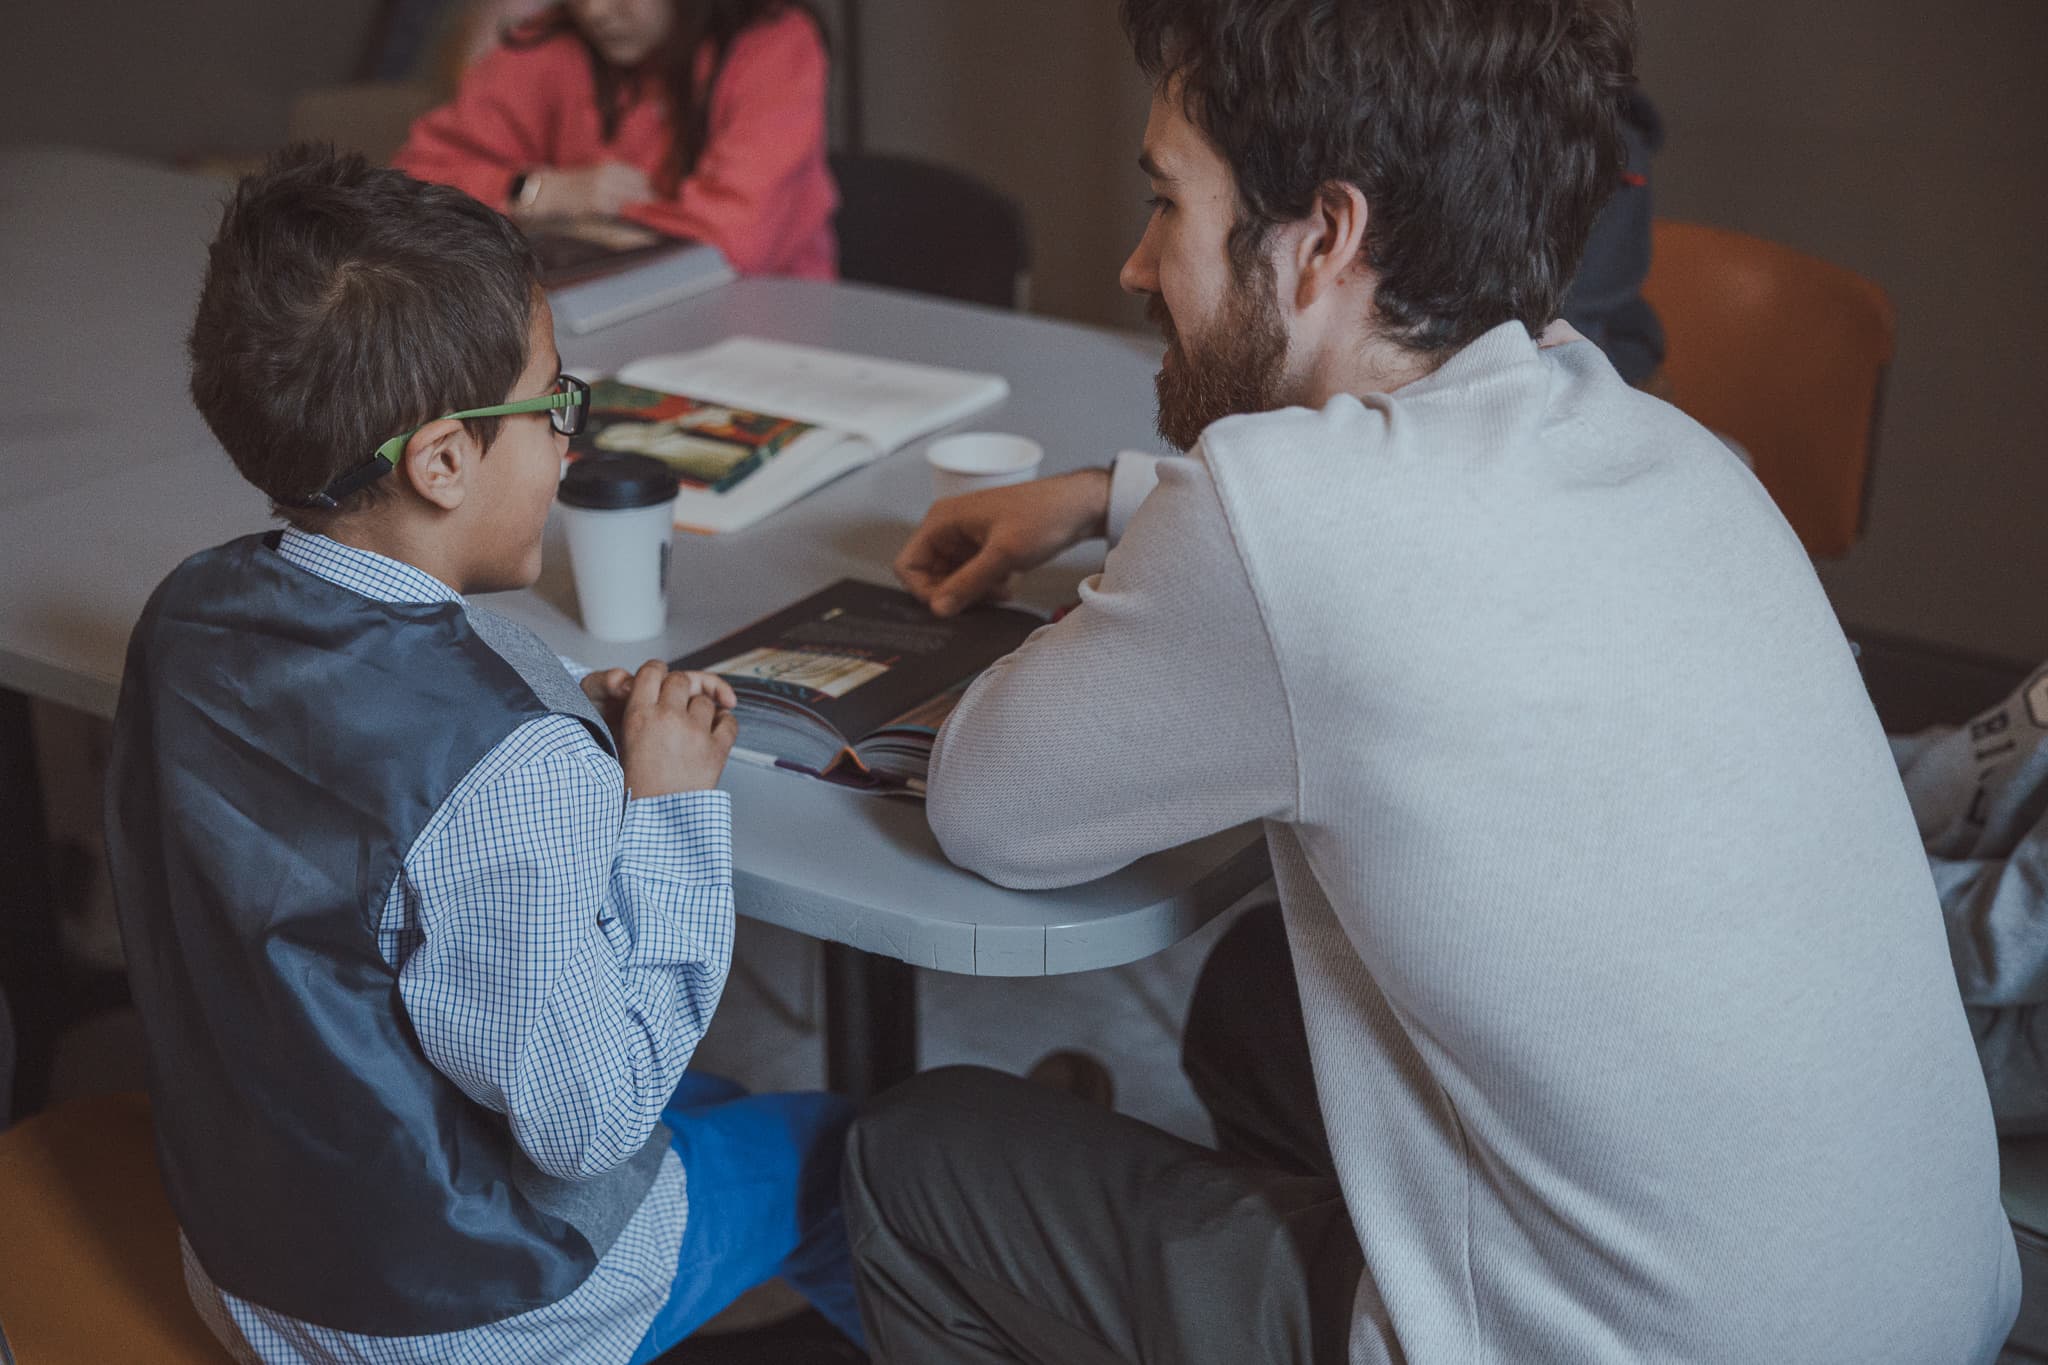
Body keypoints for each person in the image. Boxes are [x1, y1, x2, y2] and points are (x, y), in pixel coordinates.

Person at [842, 1, 2021, 1361]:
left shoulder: (1279, 521)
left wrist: (1172, 539)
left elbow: (993, 810)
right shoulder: (1672, 452)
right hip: (1924, 1311)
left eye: (1167, 204)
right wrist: (1119, 499)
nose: (1133, 263)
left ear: (1324, 237)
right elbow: (1420, 545)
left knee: (913, 1157)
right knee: (1254, 1002)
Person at [103, 146, 861, 1365]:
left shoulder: (185, 614)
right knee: (845, 1158)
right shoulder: (511, 768)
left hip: (249, 1262)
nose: (569, 445)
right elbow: (587, 1120)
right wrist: (665, 806)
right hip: (462, 1320)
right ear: (444, 458)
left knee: (701, 1111)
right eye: (555, 405)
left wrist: (550, 715)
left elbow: (350, 759)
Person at [393, 0, 836, 279]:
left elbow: (735, 244)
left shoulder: (774, 40)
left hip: (769, 319)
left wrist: (596, 213)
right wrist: (540, 190)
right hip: (593, 310)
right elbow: (407, 186)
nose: (597, 11)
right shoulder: (553, 45)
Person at [1892, 664, 2048, 1134]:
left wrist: (1826, 877)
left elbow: (2003, 940)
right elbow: (1985, 754)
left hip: (1942, 1029)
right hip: (1883, 864)